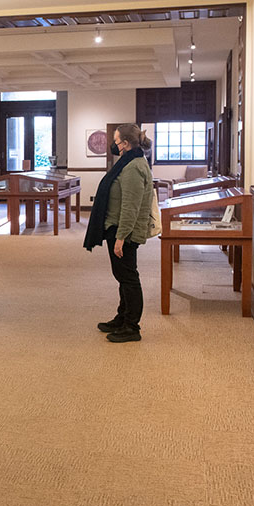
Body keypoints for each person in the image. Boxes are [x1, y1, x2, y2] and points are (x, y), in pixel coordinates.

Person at [82, 123, 154, 343]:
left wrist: (121, 237)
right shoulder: (129, 162)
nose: (114, 145)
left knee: (128, 277)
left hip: (125, 231)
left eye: (116, 141)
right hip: (117, 227)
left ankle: (132, 327)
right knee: (122, 276)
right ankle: (122, 317)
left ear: (125, 143)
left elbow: (131, 207)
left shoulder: (133, 167)